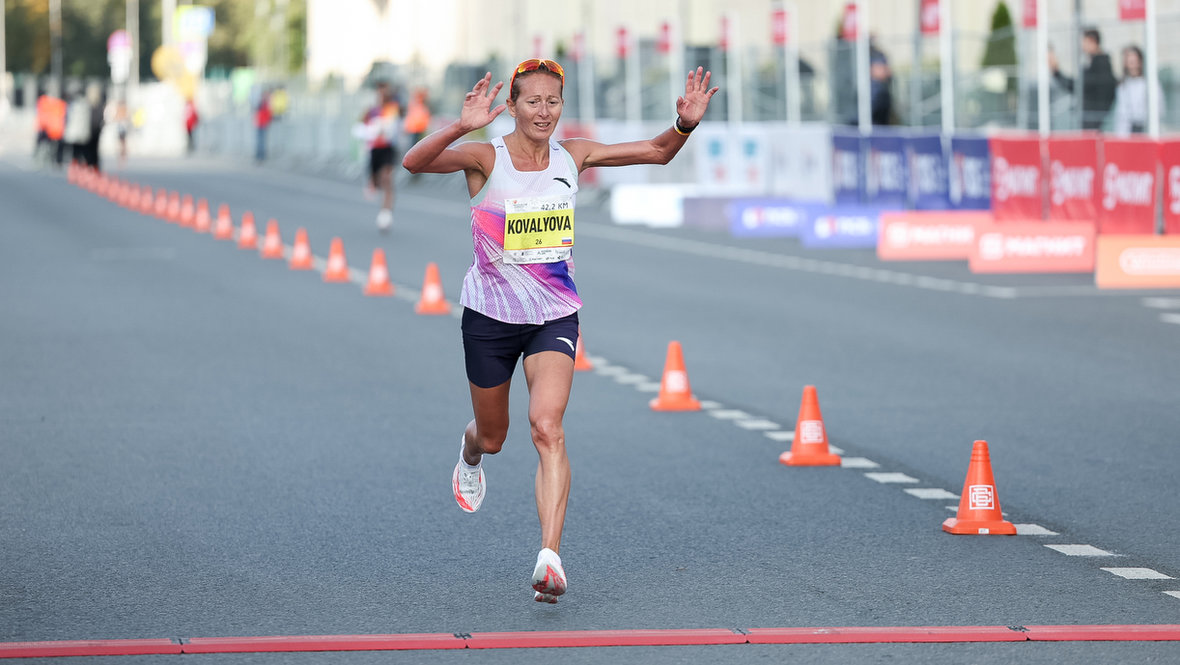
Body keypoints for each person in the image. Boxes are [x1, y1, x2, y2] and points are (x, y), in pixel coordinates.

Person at [401, 59, 717, 604]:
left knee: (547, 427)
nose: (543, 112)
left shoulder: (574, 155)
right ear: (513, 106)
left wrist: (684, 124)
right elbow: (414, 162)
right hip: (490, 318)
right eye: (532, 101)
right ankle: (471, 452)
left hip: (553, 314)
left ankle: (550, 556)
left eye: (552, 102)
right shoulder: (485, 157)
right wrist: (460, 126)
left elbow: (656, 151)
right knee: (494, 437)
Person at [1050, 27, 1117, 130]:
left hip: (1093, 120)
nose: (1082, 46)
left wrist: (1057, 72)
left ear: (1092, 41)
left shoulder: (1100, 65)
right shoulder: (1095, 64)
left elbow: (1078, 87)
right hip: (1091, 119)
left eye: (1084, 42)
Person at [359, 81, 401, 231]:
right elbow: (361, 127)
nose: (382, 95)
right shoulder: (371, 111)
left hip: (388, 149)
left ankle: (385, 213)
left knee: (387, 179)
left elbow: (395, 127)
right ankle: (372, 183)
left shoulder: (393, 109)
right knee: (376, 182)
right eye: (380, 92)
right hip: (374, 149)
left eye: (385, 92)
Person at [1112, 45, 1163, 136]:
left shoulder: (1150, 84)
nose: (1131, 64)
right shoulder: (1122, 85)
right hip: (1127, 132)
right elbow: (1121, 114)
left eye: (1133, 60)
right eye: (1128, 60)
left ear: (1140, 62)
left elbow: (1158, 109)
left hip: (1145, 130)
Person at [255, 89, 272, 163]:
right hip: (259, 124)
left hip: (263, 124)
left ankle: (261, 156)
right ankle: (259, 155)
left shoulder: (265, 104)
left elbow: (268, 114)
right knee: (260, 141)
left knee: (261, 141)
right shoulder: (261, 104)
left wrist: (266, 122)